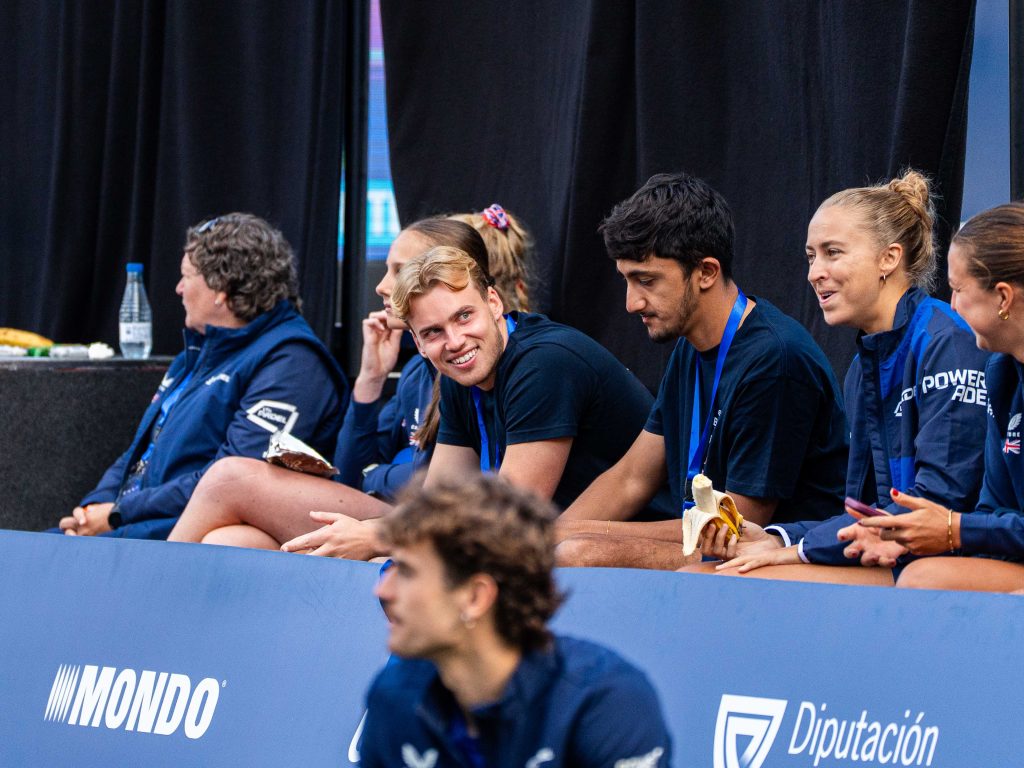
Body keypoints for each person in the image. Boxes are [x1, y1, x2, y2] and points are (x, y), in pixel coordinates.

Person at [168, 211, 534, 551]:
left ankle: (145, 590)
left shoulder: (469, 366)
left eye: (398, 271)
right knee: (232, 540)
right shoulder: (414, 373)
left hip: (420, 525)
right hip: (394, 514)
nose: (382, 286)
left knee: (230, 477)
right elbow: (351, 472)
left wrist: (379, 475)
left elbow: (433, 488)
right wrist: (370, 381)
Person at [554, 172, 848, 570]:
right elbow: (631, 478)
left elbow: (734, 526)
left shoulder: (775, 360)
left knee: (578, 554)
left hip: (766, 557)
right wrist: (547, 535)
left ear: (706, 272)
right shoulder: (689, 347)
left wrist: (578, 537)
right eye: (626, 280)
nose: (631, 303)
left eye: (646, 281)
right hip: (717, 549)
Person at [711, 171, 990, 584]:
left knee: (737, 581)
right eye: (811, 256)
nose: (814, 272)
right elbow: (862, 512)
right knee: (710, 572)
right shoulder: (863, 366)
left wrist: (798, 550)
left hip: (947, 564)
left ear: (888, 259)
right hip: (894, 555)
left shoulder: (946, 342)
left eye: (833, 253)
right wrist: (778, 537)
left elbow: (938, 503)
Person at [58, 213, 348, 540]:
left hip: (180, 534)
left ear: (221, 288)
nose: (178, 288)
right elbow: (140, 452)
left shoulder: (293, 363)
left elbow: (227, 484)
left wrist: (118, 513)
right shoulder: (195, 356)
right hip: (135, 523)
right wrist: (92, 508)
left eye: (186, 276)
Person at [359, 474, 673, 768]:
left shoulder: (607, 703)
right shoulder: (393, 696)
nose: (382, 590)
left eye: (407, 572)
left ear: (475, 598)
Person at [839, 202, 1024, 592]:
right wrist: (904, 534)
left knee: (923, 581)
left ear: (1003, 298)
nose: (951, 305)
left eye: (958, 290)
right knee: (922, 577)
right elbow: (992, 508)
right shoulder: (1001, 374)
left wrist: (954, 529)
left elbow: (970, 522)